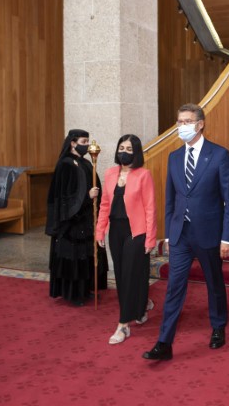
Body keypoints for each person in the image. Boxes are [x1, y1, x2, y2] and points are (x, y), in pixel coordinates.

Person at [143, 103, 229, 361]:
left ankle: (218, 325)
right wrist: (168, 231)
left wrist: (227, 237)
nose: (181, 126)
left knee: (214, 283)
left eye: (186, 121)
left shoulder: (218, 155)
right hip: (180, 235)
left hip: (208, 233)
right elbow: (170, 199)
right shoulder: (173, 157)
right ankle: (164, 342)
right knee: (174, 287)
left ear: (200, 124)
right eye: (179, 122)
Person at [95, 134, 157, 345]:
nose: (124, 151)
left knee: (131, 275)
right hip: (116, 231)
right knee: (122, 275)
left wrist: (150, 238)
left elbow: (150, 208)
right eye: (122, 147)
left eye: (129, 149)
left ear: (136, 152)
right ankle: (140, 308)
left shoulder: (143, 175)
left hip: (136, 232)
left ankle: (123, 324)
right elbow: (105, 204)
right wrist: (100, 229)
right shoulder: (110, 173)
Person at [46, 129, 108, 306]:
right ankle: (72, 294)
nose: (86, 145)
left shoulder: (85, 163)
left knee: (86, 255)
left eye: (87, 141)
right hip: (71, 222)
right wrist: (86, 197)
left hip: (86, 218)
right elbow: (64, 196)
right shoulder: (65, 165)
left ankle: (85, 290)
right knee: (73, 256)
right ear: (72, 143)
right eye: (83, 141)